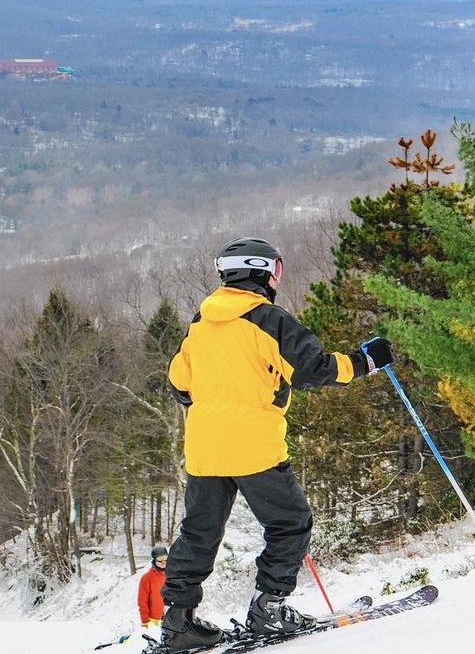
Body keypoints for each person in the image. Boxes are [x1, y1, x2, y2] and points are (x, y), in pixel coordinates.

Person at [157, 237, 392, 652]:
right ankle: (269, 608)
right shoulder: (270, 320)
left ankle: (178, 623)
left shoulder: (200, 322)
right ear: (265, 272)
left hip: (205, 447)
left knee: (198, 533)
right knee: (290, 523)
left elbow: (179, 383)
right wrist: (365, 361)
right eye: (276, 270)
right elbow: (314, 371)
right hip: (253, 446)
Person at [137, 545, 168, 629]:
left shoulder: (170, 575)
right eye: (160, 559)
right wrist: (145, 622)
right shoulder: (147, 578)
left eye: (165, 558)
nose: (163, 562)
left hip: (169, 619)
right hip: (153, 620)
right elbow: (142, 602)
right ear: (154, 560)